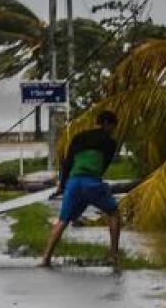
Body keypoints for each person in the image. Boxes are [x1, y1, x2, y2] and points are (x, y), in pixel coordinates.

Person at [41, 110, 121, 268]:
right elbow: (103, 165)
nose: (113, 130)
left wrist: (62, 185)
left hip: (73, 182)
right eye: (112, 126)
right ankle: (113, 254)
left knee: (62, 221)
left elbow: (67, 162)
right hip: (92, 182)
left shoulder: (78, 137)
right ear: (106, 124)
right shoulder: (110, 142)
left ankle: (46, 258)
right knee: (114, 213)